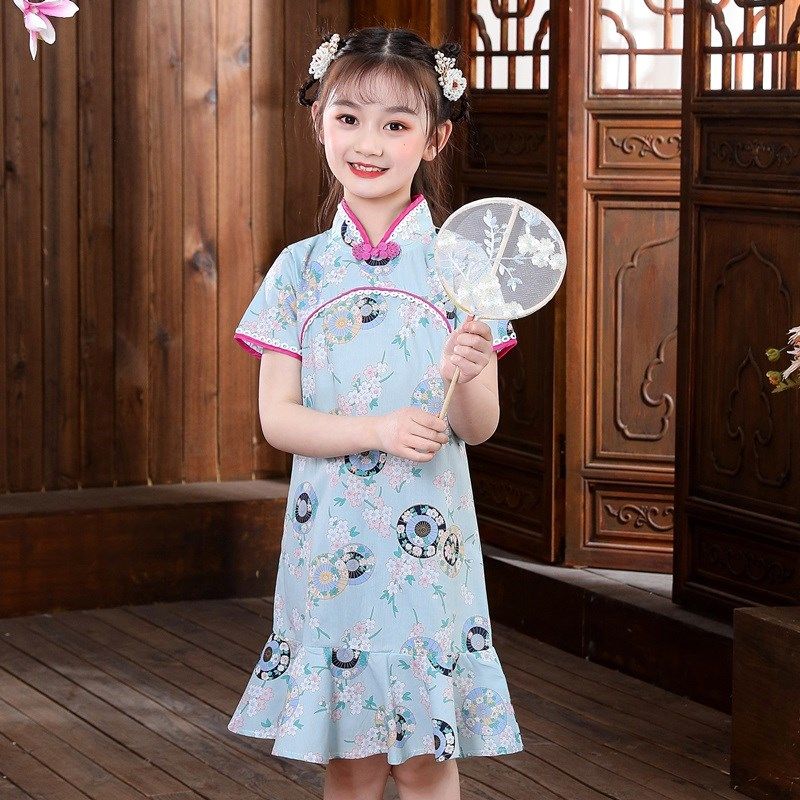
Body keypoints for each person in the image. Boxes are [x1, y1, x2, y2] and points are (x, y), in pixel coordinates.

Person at [227, 26, 523, 800]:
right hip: (332, 552)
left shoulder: (464, 268)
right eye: (349, 118)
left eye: (396, 124)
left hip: (429, 559)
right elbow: (278, 420)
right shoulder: (298, 269)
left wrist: (468, 371)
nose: (369, 142)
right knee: (351, 759)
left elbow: (479, 426)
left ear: (435, 138)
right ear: (318, 122)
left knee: (425, 758)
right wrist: (379, 431)